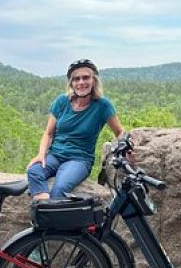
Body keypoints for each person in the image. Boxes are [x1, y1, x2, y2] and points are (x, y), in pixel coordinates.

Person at [27, 58, 127, 201]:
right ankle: (43, 211)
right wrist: (41, 154)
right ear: (71, 83)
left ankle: (50, 218)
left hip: (79, 159)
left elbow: (119, 132)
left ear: (94, 81)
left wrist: (128, 149)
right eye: (76, 79)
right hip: (54, 155)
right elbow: (48, 133)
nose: (81, 82)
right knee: (34, 170)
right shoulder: (62, 102)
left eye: (86, 77)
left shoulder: (102, 106)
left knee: (60, 188)